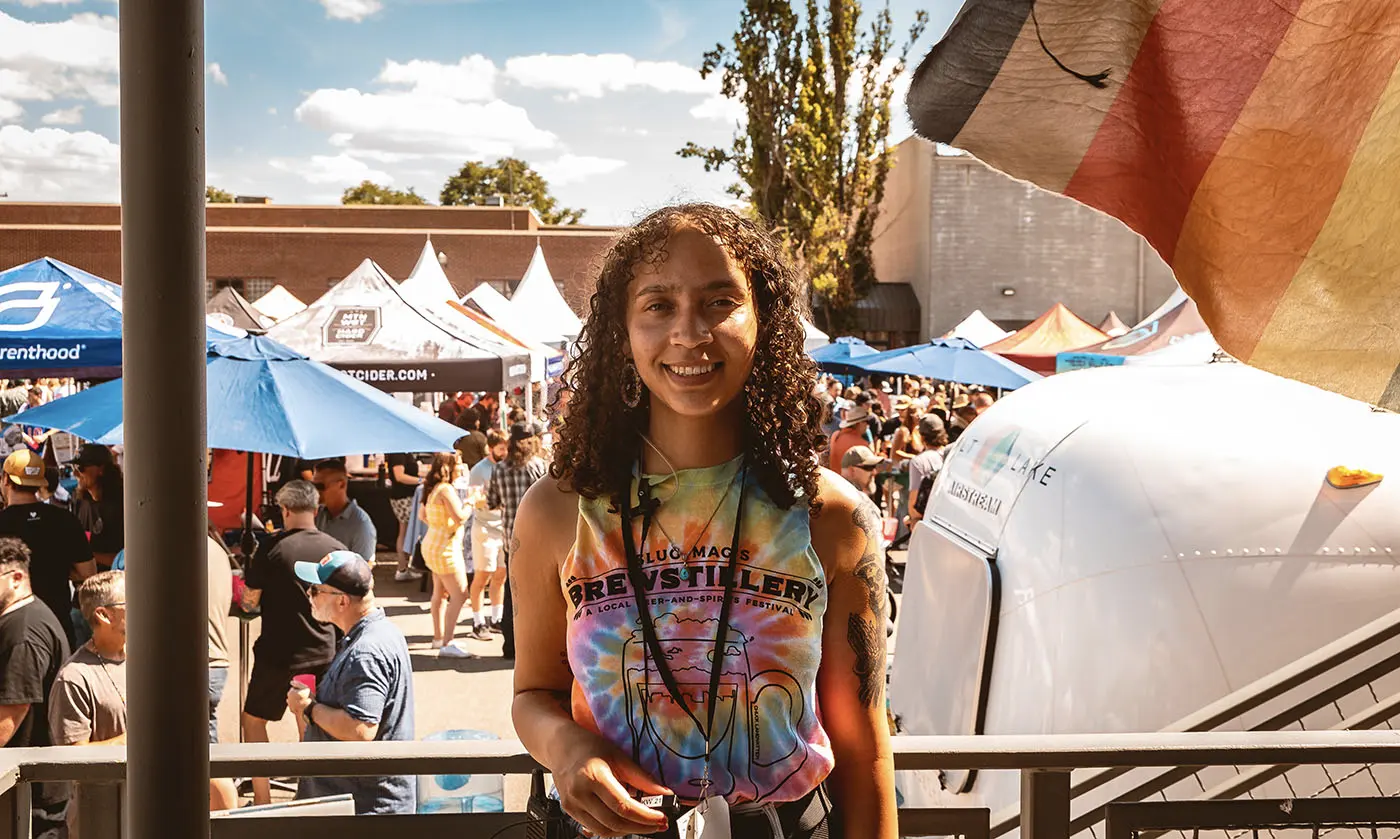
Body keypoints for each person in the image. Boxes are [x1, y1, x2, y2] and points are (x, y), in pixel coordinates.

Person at [512, 204, 895, 838]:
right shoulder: (557, 510)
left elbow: (865, 746)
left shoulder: (830, 514)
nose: (689, 333)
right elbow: (533, 695)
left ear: (764, 320)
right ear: (621, 332)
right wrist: (567, 748)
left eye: (720, 301)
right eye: (658, 305)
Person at [239, 480, 345, 806]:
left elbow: (249, 602)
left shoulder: (271, 549)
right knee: (308, 723)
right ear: (316, 508)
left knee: (253, 721)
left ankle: (262, 800)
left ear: (284, 510)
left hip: (277, 654)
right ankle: (310, 798)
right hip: (323, 652)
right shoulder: (336, 549)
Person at [288, 551, 416, 814]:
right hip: (363, 802)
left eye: (316, 590)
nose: (309, 595)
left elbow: (360, 729)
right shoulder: (380, 632)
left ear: (342, 601)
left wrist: (308, 707)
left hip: (363, 810)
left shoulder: (365, 652)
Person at [48, 571, 127, 839]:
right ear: (104, 615)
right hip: (100, 819)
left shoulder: (149, 656)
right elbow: (70, 757)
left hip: (154, 807)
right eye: (133, 600)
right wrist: (136, 742)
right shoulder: (74, 677)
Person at [0, 537, 71, 837]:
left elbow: (9, 715)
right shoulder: (19, 620)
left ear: (16, 578)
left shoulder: (24, 632)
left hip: (32, 797)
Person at [0, 450, 96, 647]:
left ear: (6, 479)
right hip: (58, 628)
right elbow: (88, 573)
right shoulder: (65, 519)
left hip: (9, 633)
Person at [487, 420, 547, 660]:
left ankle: (509, 645)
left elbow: (492, 502)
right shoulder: (538, 466)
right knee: (538, 594)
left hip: (510, 540)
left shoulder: (499, 469)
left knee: (512, 593)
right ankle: (533, 646)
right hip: (537, 539)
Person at [418, 452, 472, 658]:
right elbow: (460, 517)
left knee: (439, 593)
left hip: (432, 545)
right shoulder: (446, 489)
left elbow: (422, 515)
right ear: (449, 467)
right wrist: (471, 501)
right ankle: (448, 642)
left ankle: (438, 638)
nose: (462, 467)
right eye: (459, 464)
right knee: (460, 594)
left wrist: (439, 526)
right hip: (445, 550)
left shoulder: (432, 488)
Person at [204, 528, 240, 810]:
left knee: (207, 756)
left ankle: (227, 818)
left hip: (198, 664)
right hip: (214, 661)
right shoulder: (216, 550)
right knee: (208, 749)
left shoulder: (175, 549)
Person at [466, 428, 508, 641]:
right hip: (484, 527)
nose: (505, 452)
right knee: (482, 575)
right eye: (501, 449)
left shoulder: (508, 466)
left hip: (503, 527)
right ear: (491, 448)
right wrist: (493, 499)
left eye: (507, 448)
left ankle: (496, 618)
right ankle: (477, 622)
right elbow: (474, 499)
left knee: (501, 574)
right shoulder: (479, 470)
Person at [69, 445, 123, 570]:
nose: (75, 473)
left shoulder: (121, 503)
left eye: (80, 468)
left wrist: (88, 556)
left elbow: (127, 557)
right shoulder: (79, 501)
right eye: (73, 467)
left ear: (101, 469)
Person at [313, 459, 377, 566]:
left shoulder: (361, 525)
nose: (315, 491)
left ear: (341, 485)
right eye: (313, 486)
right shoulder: (316, 514)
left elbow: (363, 569)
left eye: (320, 486)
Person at [384, 452, 424, 582]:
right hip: (404, 497)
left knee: (404, 531)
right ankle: (404, 567)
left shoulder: (402, 453)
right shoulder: (399, 453)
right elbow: (399, 476)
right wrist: (421, 480)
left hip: (402, 496)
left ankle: (403, 568)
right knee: (409, 531)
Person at [906, 415, 949, 525]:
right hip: (946, 518)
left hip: (926, 521)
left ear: (921, 437)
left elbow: (914, 504)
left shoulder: (919, 462)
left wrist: (912, 520)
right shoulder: (951, 455)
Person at [827, 398, 872, 472]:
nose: (867, 425)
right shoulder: (862, 445)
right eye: (866, 422)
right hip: (849, 479)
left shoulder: (836, 435)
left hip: (834, 477)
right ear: (859, 423)